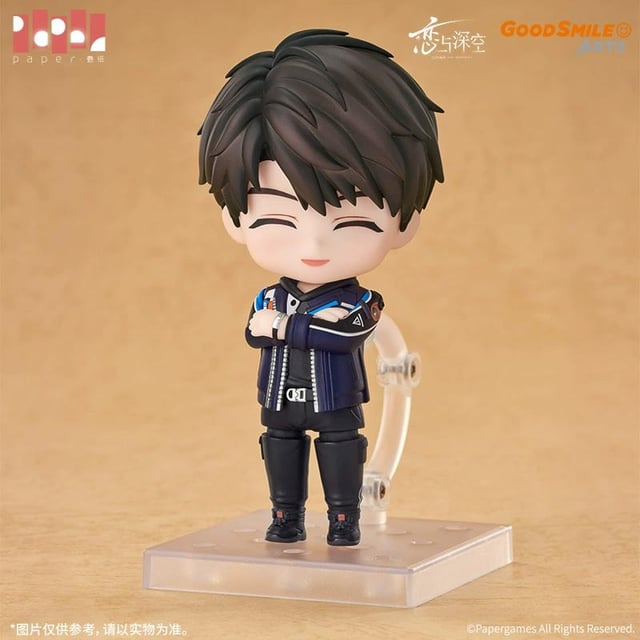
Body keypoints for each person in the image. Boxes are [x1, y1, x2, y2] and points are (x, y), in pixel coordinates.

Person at [198, 28, 444, 546]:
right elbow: (255, 332)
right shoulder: (270, 296)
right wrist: (286, 327)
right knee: (279, 447)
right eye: (278, 219)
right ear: (236, 219)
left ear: (403, 224)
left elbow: (345, 335)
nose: (313, 243)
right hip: (278, 398)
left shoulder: (361, 301)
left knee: (340, 451)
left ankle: (343, 519)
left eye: (351, 223)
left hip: (336, 402)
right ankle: (285, 516)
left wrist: (287, 327)